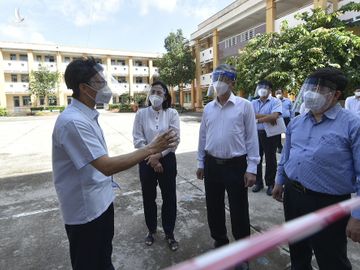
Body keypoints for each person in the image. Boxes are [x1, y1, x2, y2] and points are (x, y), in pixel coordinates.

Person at [52, 57, 177, 270]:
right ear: (84, 88)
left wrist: (157, 151)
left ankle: (168, 231)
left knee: (103, 260)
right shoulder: (73, 122)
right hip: (86, 212)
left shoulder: (87, 116)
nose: (106, 87)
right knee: (90, 263)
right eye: (100, 82)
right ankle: (152, 229)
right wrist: (150, 149)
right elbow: (106, 166)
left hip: (100, 204)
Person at [272, 67, 360, 270]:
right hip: (294, 197)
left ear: (336, 94)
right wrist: (279, 180)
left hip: (328, 204)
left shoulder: (352, 125)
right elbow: (286, 156)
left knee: (331, 259)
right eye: (311, 87)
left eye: (320, 88)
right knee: (298, 252)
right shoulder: (296, 122)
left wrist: (357, 216)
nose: (312, 92)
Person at [196, 64, 259, 270]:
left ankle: (242, 254)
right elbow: (203, 136)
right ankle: (220, 243)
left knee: (239, 210)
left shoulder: (244, 106)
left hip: (236, 166)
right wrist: (200, 162)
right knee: (213, 207)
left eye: (223, 79)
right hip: (212, 164)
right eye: (216, 79)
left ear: (233, 82)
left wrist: (252, 168)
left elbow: (251, 138)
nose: (218, 83)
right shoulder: (208, 108)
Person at [133, 80, 180, 251]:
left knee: (169, 197)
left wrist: (159, 156)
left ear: (166, 96)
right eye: (153, 91)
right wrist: (151, 158)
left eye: (160, 92)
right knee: (148, 197)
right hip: (146, 160)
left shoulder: (172, 113)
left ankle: (169, 232)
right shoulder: (141, 114)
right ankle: (151, 230)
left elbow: (174, 139)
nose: (156, 95)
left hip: (167, 159)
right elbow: (138, 139)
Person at [251, 80, 282, 196]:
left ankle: (270, 184)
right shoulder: (253, 102)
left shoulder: (276, 101)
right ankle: (258, 182)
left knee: (270, 159)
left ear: (270, 90)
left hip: (271, 134)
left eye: (265, 87)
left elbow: (275, 116)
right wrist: (268, 116)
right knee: (256, 158)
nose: (262, 89)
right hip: (255, 133)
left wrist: (258, 119)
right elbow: (250, 115)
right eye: (260, 86)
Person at [275, 89, 292, 153]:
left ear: (282, 93)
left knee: (288, 133)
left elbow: (291, 110)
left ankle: (289, 146)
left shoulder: (288, 101)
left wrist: (292, 118)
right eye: (277, 93)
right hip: (278, 119)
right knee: (278, 134)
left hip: (287, 119)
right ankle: (279, 147)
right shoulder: (274, 101)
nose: (278, 94)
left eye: (279, 93)